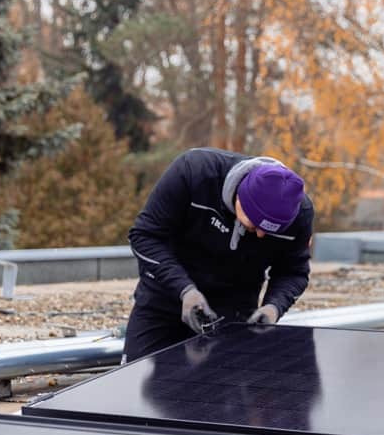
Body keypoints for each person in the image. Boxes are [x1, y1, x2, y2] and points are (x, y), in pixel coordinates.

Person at [123, 148, 314, 362]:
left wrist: (273, 307)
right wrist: (184, 290)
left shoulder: (301, 213)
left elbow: (294, 272)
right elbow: (144, 236)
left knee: (213, 391)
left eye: (270, 230)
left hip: (232, 311)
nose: (260, 234)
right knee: (135, 383)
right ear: (241, 196)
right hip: (165, 296)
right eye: (255, 223)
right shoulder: (194, 172)